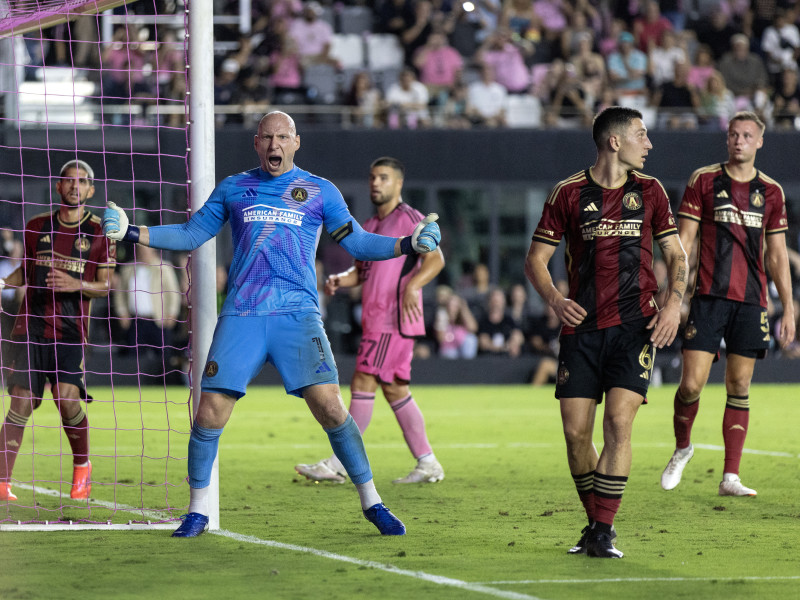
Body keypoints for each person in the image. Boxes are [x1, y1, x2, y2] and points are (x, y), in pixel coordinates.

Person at [101, 111, 442, 538]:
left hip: (297, 316)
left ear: (296, 142)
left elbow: (357, 241)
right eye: (267, 137)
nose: (275, 144)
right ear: (257, 143)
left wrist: (408, 244)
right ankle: (197, 511)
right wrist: (131, 232)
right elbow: (190, 235)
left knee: (333, 408)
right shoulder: (234, 187)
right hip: (243, 315)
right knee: (208, 412)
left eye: (283, 136)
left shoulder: (321, 191)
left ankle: (372, 502)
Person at [524, 106, 688, 558]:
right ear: (615, 141)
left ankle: (603, 530)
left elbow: (677, 255)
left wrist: (674, 303)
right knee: (576, 434)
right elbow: (535, 260)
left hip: (636, 328)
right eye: (642, 135)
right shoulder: (568, 193)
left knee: (618, 421)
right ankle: (596, 524)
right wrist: (555, 300)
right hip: (581, 329)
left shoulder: (651, 192)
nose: (649, 143)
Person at [660, 111, 795, 498]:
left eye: (747, 135)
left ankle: (730, 477)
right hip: (708, 298)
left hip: (752, 302)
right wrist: (675, 293)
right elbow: (684, 241)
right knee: (690, 385)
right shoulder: (703, 180)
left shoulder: (771, 192)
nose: (739, 140)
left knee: (739, 384)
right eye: (734, 134)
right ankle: (683, 447)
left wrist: (789, 305)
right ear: (727, 139)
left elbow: (777, 255)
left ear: (760, 142)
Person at [295, 157, 446, 485]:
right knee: (394, 390)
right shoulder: (370, 225)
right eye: (373, 177)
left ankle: (337, 464)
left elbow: (435, 259)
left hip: (394, 321)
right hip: (377, 320)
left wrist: (413, 285)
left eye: (384, 177)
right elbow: (363, 272)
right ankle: (428, 462)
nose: (376, 183)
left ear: (398, 183)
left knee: (364, 382)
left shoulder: (410, 219)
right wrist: (341, 279)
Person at [0, 160, 116, 502]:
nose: (75, 187)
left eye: (82, 182)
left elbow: (105, 285)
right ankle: (1, 481)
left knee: (66, 400)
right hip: (30, 328)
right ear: (58, 186)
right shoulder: (36, 226)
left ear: (91, 190)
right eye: (69, 181)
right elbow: (26, 271)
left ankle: (82, 468)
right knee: (21, 401)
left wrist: (73, 283)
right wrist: (4, 282)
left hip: (69, 331)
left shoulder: (99, 232)